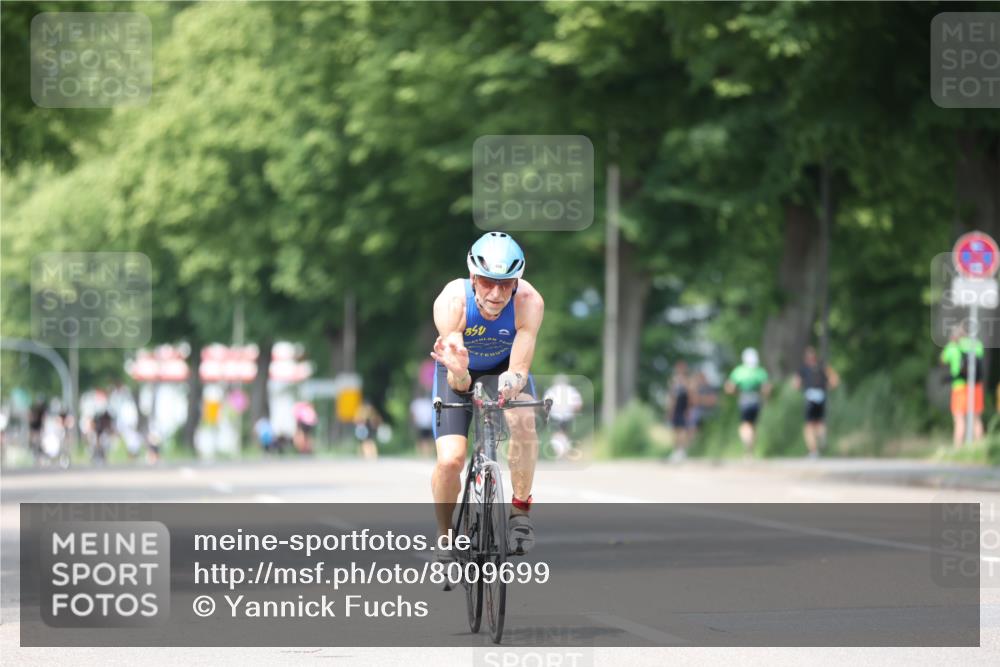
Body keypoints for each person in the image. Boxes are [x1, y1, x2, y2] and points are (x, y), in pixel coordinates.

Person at [430, 232, 544, 559]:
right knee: (451, 459)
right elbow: (459, 382)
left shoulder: (529, 303)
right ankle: (444, 535)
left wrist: (508, 390)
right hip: (457, 370)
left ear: (516, 283)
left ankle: (520, 514)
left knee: (524, 422)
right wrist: (462, 371)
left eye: (506, 284)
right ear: (472, 278)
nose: (496, 293)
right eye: (486, 282)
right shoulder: (452, 302)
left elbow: (519, 369)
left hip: (505, 370)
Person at [941, 324, 985, 447]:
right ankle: (979, 449)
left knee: (959, 419)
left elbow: (943, 359)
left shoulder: (952, 346)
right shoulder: (977, 344)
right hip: (976, 386)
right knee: (976, 419)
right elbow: (981, 357)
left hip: (959, 386)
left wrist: (951, 343)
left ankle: (958, 449)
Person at [792, 346, 840, 459]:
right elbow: (835, 380)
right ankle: (822, 437)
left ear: (806, 358)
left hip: (810, 397)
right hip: (822, 396)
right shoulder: (823, 367)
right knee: (820, 422)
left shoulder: (803, 369)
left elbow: (796, 384)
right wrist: (826, 388)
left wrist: (801, 388)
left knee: (809, 425)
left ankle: (813, 451)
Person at [724, 348, 770, 457]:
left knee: (745, 425)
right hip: (756, 400)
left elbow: (729, 387)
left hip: (744, 399)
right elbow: (767, 388)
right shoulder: (759, 371)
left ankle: (747, 446)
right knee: (753, 425)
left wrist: (736, 392)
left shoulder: (739, 371)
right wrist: (765, 398)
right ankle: (750, 449)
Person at [542, 375, 583, 460]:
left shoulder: (551, 390)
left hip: (555, 415)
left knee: (557, 434)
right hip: (568, 415)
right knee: (564, 434)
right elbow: (578, 404)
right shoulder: (571, 390)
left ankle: (560, 451)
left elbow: (544, 404)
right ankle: (563, 451)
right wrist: (574, 412)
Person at [665, 361, 692, 460]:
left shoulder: (687, 381)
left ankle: (682, 450)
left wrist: (688, 409)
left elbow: (690, 396)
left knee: (683, 430)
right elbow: (671, 397)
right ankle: (676, 450)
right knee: (675, 430)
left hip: (683, 408)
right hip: (675, 408)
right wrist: (669, 411)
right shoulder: (673, 381)